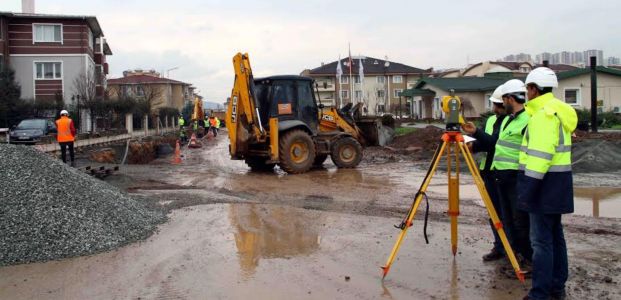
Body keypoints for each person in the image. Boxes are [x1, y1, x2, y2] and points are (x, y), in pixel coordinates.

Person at [519, 67, 577, 300]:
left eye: (527, 89)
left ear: (533, 89)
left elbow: (541, 156)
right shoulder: (559, 111)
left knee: (541, 242)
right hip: (559, 183)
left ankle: (540, 293)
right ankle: (556, 287)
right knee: (555, 237)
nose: (527, 94)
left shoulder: (543, 114)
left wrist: (527, 189)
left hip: (543, 184)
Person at [462, 85, 507, 261]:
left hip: (503, 172)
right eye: (494, 104)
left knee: (506, 214)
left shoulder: (510, 121)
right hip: (487, 170)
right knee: (493, 211)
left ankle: (511, 249)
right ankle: (499, 246)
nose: (494, 108)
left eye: (498, 104)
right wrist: (473, 145)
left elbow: (495, 142)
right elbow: (485, 142)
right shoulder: (490, 120)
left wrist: (477, 134)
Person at [492, 79, 533, 273]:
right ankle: (513, 256)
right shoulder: (510, 119)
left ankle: (526, 260)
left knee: (520, 222)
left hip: (516, 177)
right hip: (501, 176)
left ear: (510, 99)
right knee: (507, 220)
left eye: (504, 99)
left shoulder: (527, 120)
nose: (502, 104)